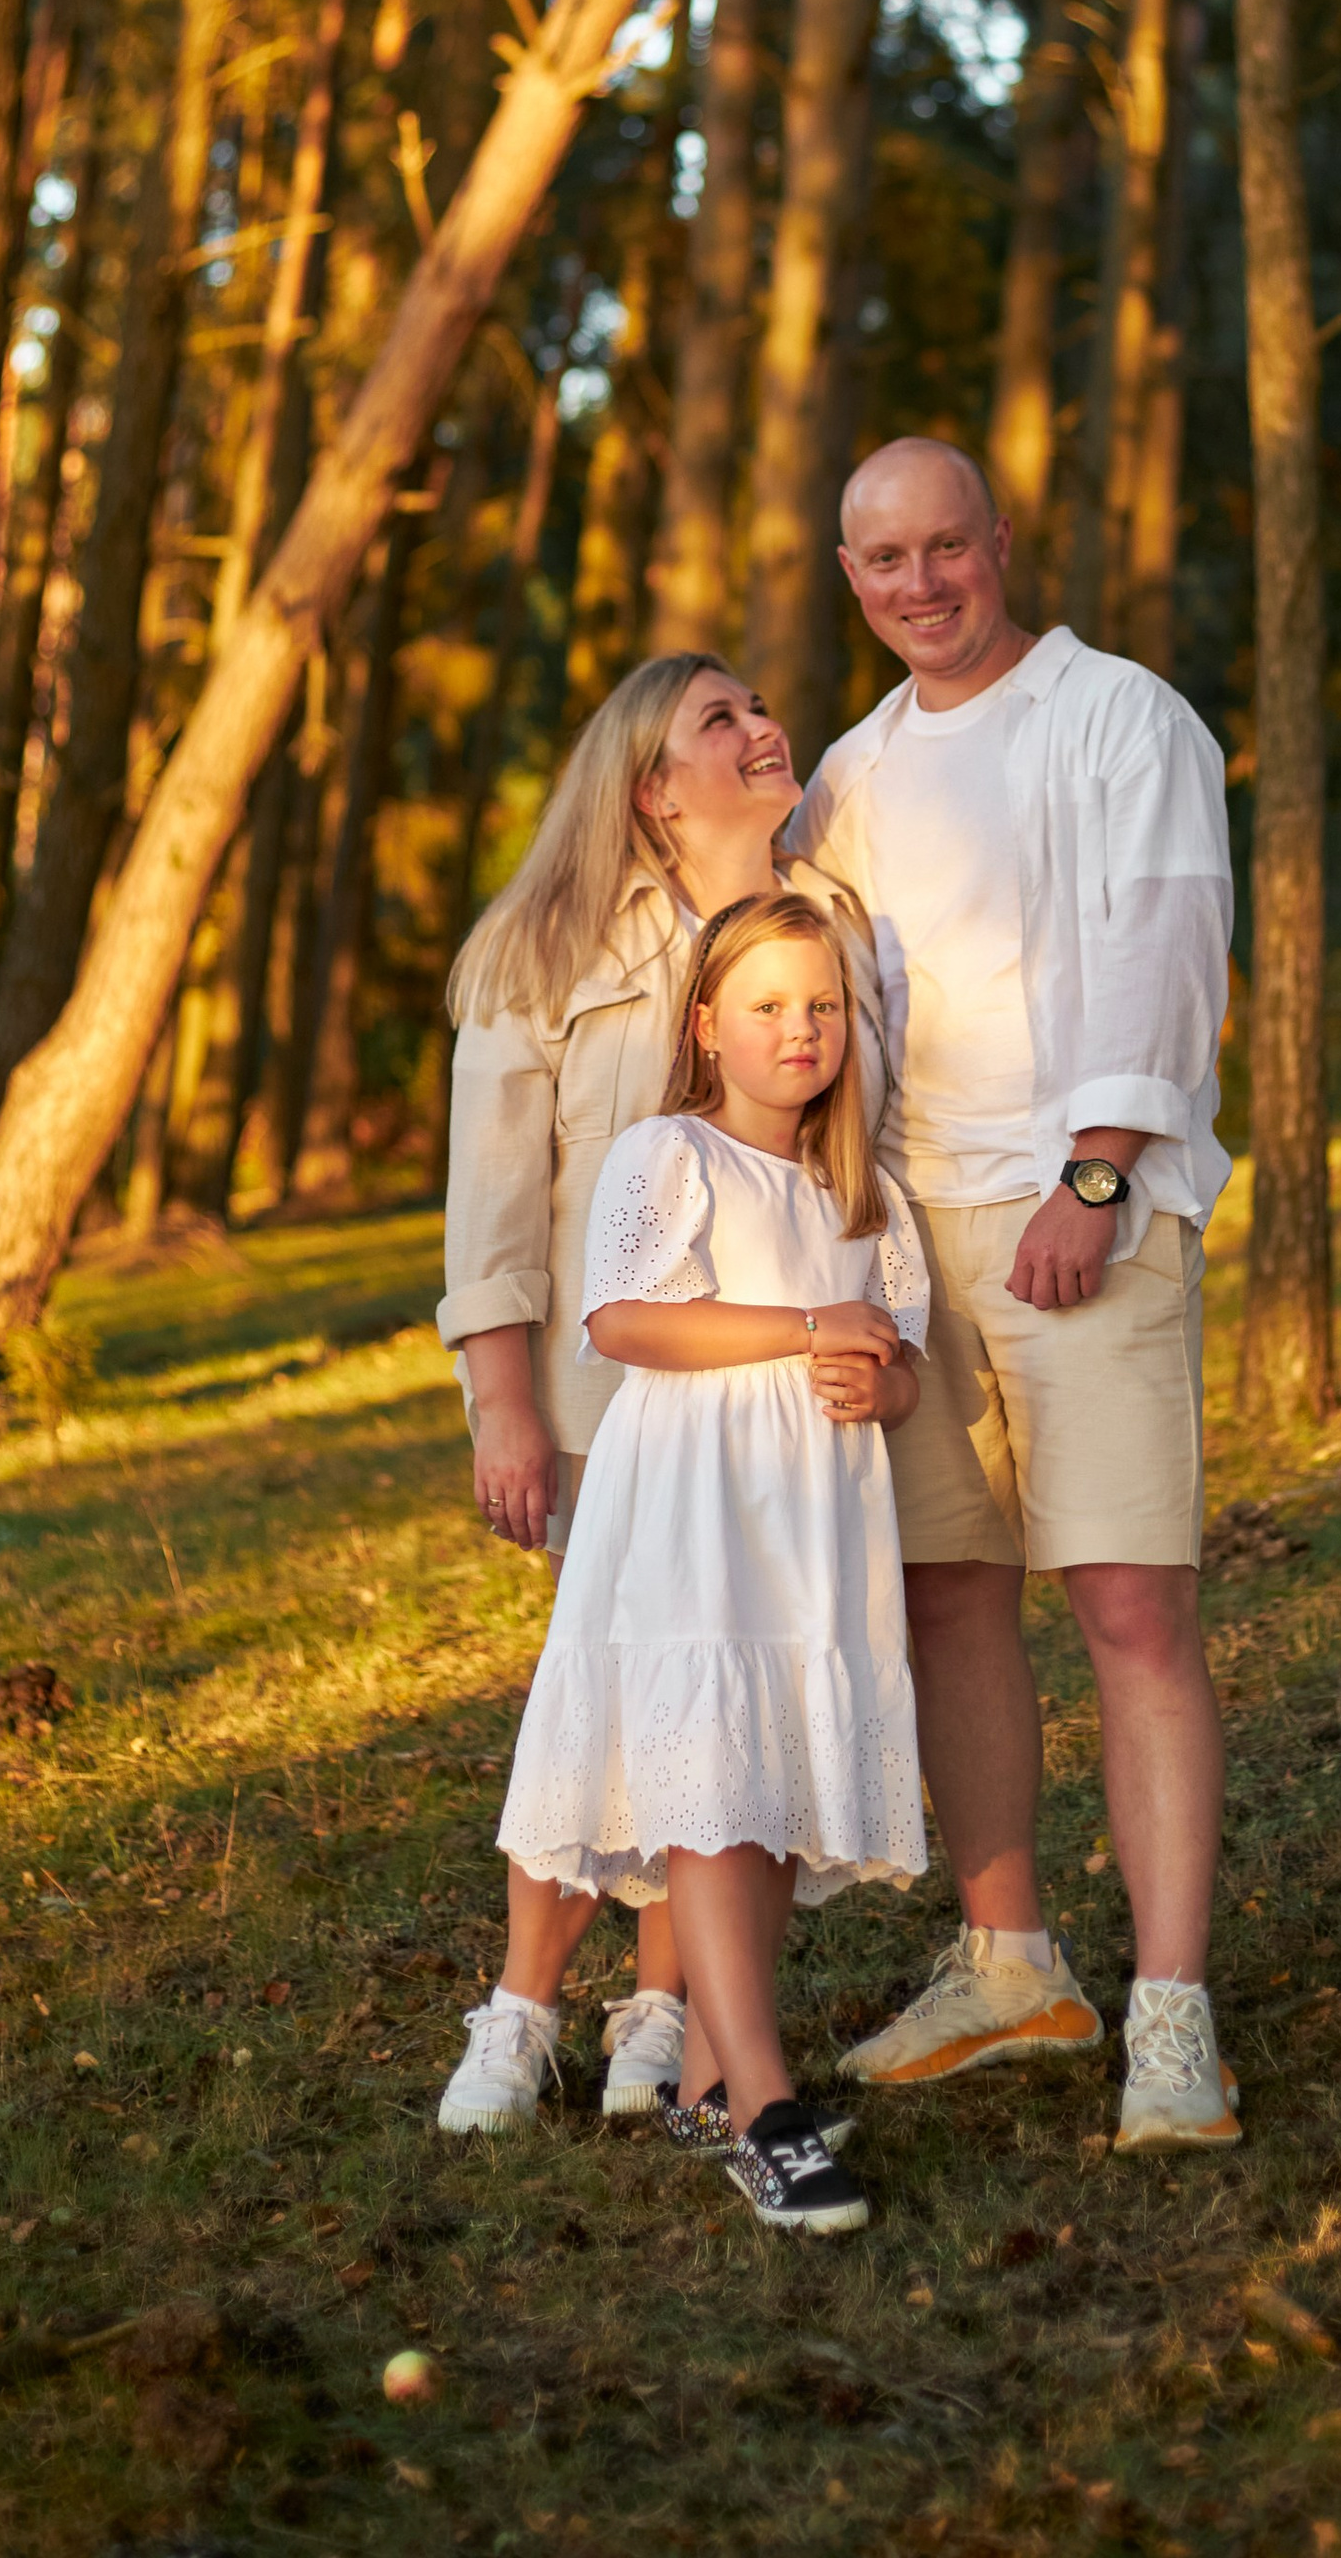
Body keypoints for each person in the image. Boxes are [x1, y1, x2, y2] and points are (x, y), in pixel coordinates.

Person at [790, 435, 1239, 2150]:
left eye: (946, 548)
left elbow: (1170, 953)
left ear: (999, 541)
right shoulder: (846, 776)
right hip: (913, 1248)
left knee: (1131, 1609)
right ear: (854, 574)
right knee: (951, 1602)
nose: (921, 584)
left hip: (1083, 1219)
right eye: (885, 559)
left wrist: (1098, 1177)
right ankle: (1011, 1963)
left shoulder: (1124, 717)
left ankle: (1171, 2015)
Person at [432, 656, 883, 2137]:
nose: (765, 728)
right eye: (721, 719)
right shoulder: (544, 951)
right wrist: (505, 1406)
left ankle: (668, 2005)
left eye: (765, 705)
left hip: (781, 1416)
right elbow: (493, 1212)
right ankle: (521, 2008)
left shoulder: (836, 923)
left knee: (727, 1699)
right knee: (611, 1689)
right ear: (650, 785)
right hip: (607, 1395)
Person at [496, 891, 929, 2233]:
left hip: (811, 1518)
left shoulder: (866, 1195)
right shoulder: (669, 1151)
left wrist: (883, 1387)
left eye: (820, 1007)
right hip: (696, 1509)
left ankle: (701, 2080)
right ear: (706, 1027)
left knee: (771, 1784)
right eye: (765, 1006)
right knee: (713, 1789)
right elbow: (621, 1318)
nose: (798, 1031)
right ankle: (767, 2112)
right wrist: (812, 1326)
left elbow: (899, 1360)